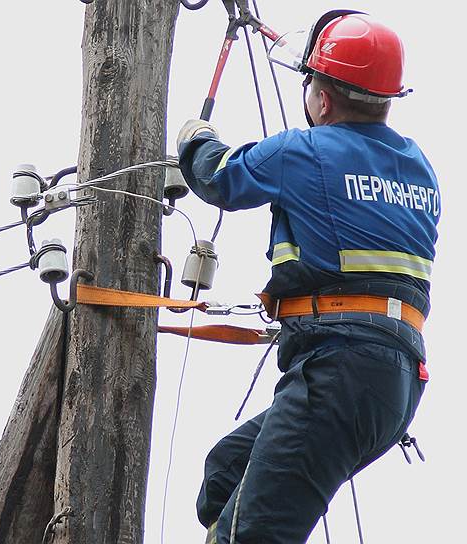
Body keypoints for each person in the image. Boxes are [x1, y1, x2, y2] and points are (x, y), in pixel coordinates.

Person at [175, 10, 440, 544]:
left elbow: (221, 178)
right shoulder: (418, 167)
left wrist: (195, 139)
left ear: (321, 97)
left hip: (338, 369)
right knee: (225, 475)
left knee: (251, 537)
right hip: (395, 382)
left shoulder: (307, 151)